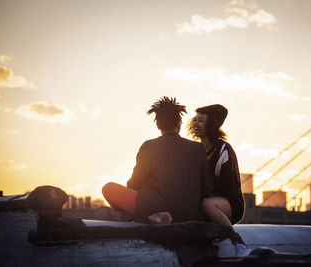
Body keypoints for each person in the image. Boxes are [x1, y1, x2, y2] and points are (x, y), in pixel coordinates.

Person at [102, 96, 213, 223]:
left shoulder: (149, 146)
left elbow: (134, 184)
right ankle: (153, 218)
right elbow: (207, 187)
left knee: (108, 188)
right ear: (179, 123)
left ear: (157, 125)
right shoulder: (197, 147)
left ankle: (145, 218)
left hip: (155, 208)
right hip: (189, 212)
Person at [188, 104, 249, 256]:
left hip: (228, 203)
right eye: (195, 120)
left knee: (207, 203)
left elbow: (228, 185)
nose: (195, 124)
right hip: (200, 200)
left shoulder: (224, 149)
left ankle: (237, 241)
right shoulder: (194, 149)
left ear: (211, 125)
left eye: (201, 121)